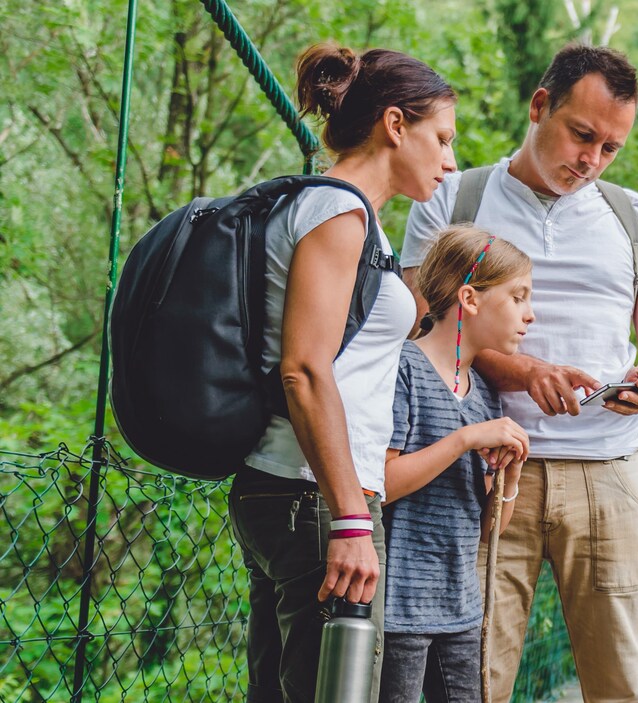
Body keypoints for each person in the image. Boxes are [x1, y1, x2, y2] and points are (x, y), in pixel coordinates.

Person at [403, 43, 638, 703]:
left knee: (619, 683)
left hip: (610, 474)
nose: (591, 159)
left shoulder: (632, 217)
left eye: (610, 148)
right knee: (470, 681)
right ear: (539, 107)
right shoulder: (451, 197)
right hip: (479, 470)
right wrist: (527, 372)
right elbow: (419, 330)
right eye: (581, 134)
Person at [228, 42, 456, 703]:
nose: (449, 160)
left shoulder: (342, 214)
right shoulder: (339, 212)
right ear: (395, 124)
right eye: (440, 137)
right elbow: (304, 367)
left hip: (294, 490)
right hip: (321, 495)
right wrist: (352, 519)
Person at [379, 225, 533, 703]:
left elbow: (491, 526)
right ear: (470, 298)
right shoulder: (404, 368)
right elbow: (380, 483)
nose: (530, 314)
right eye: (518, 297)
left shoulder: (483, 393)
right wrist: (465, 439)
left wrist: (509, 473)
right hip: (398, 609)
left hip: (461, 607)